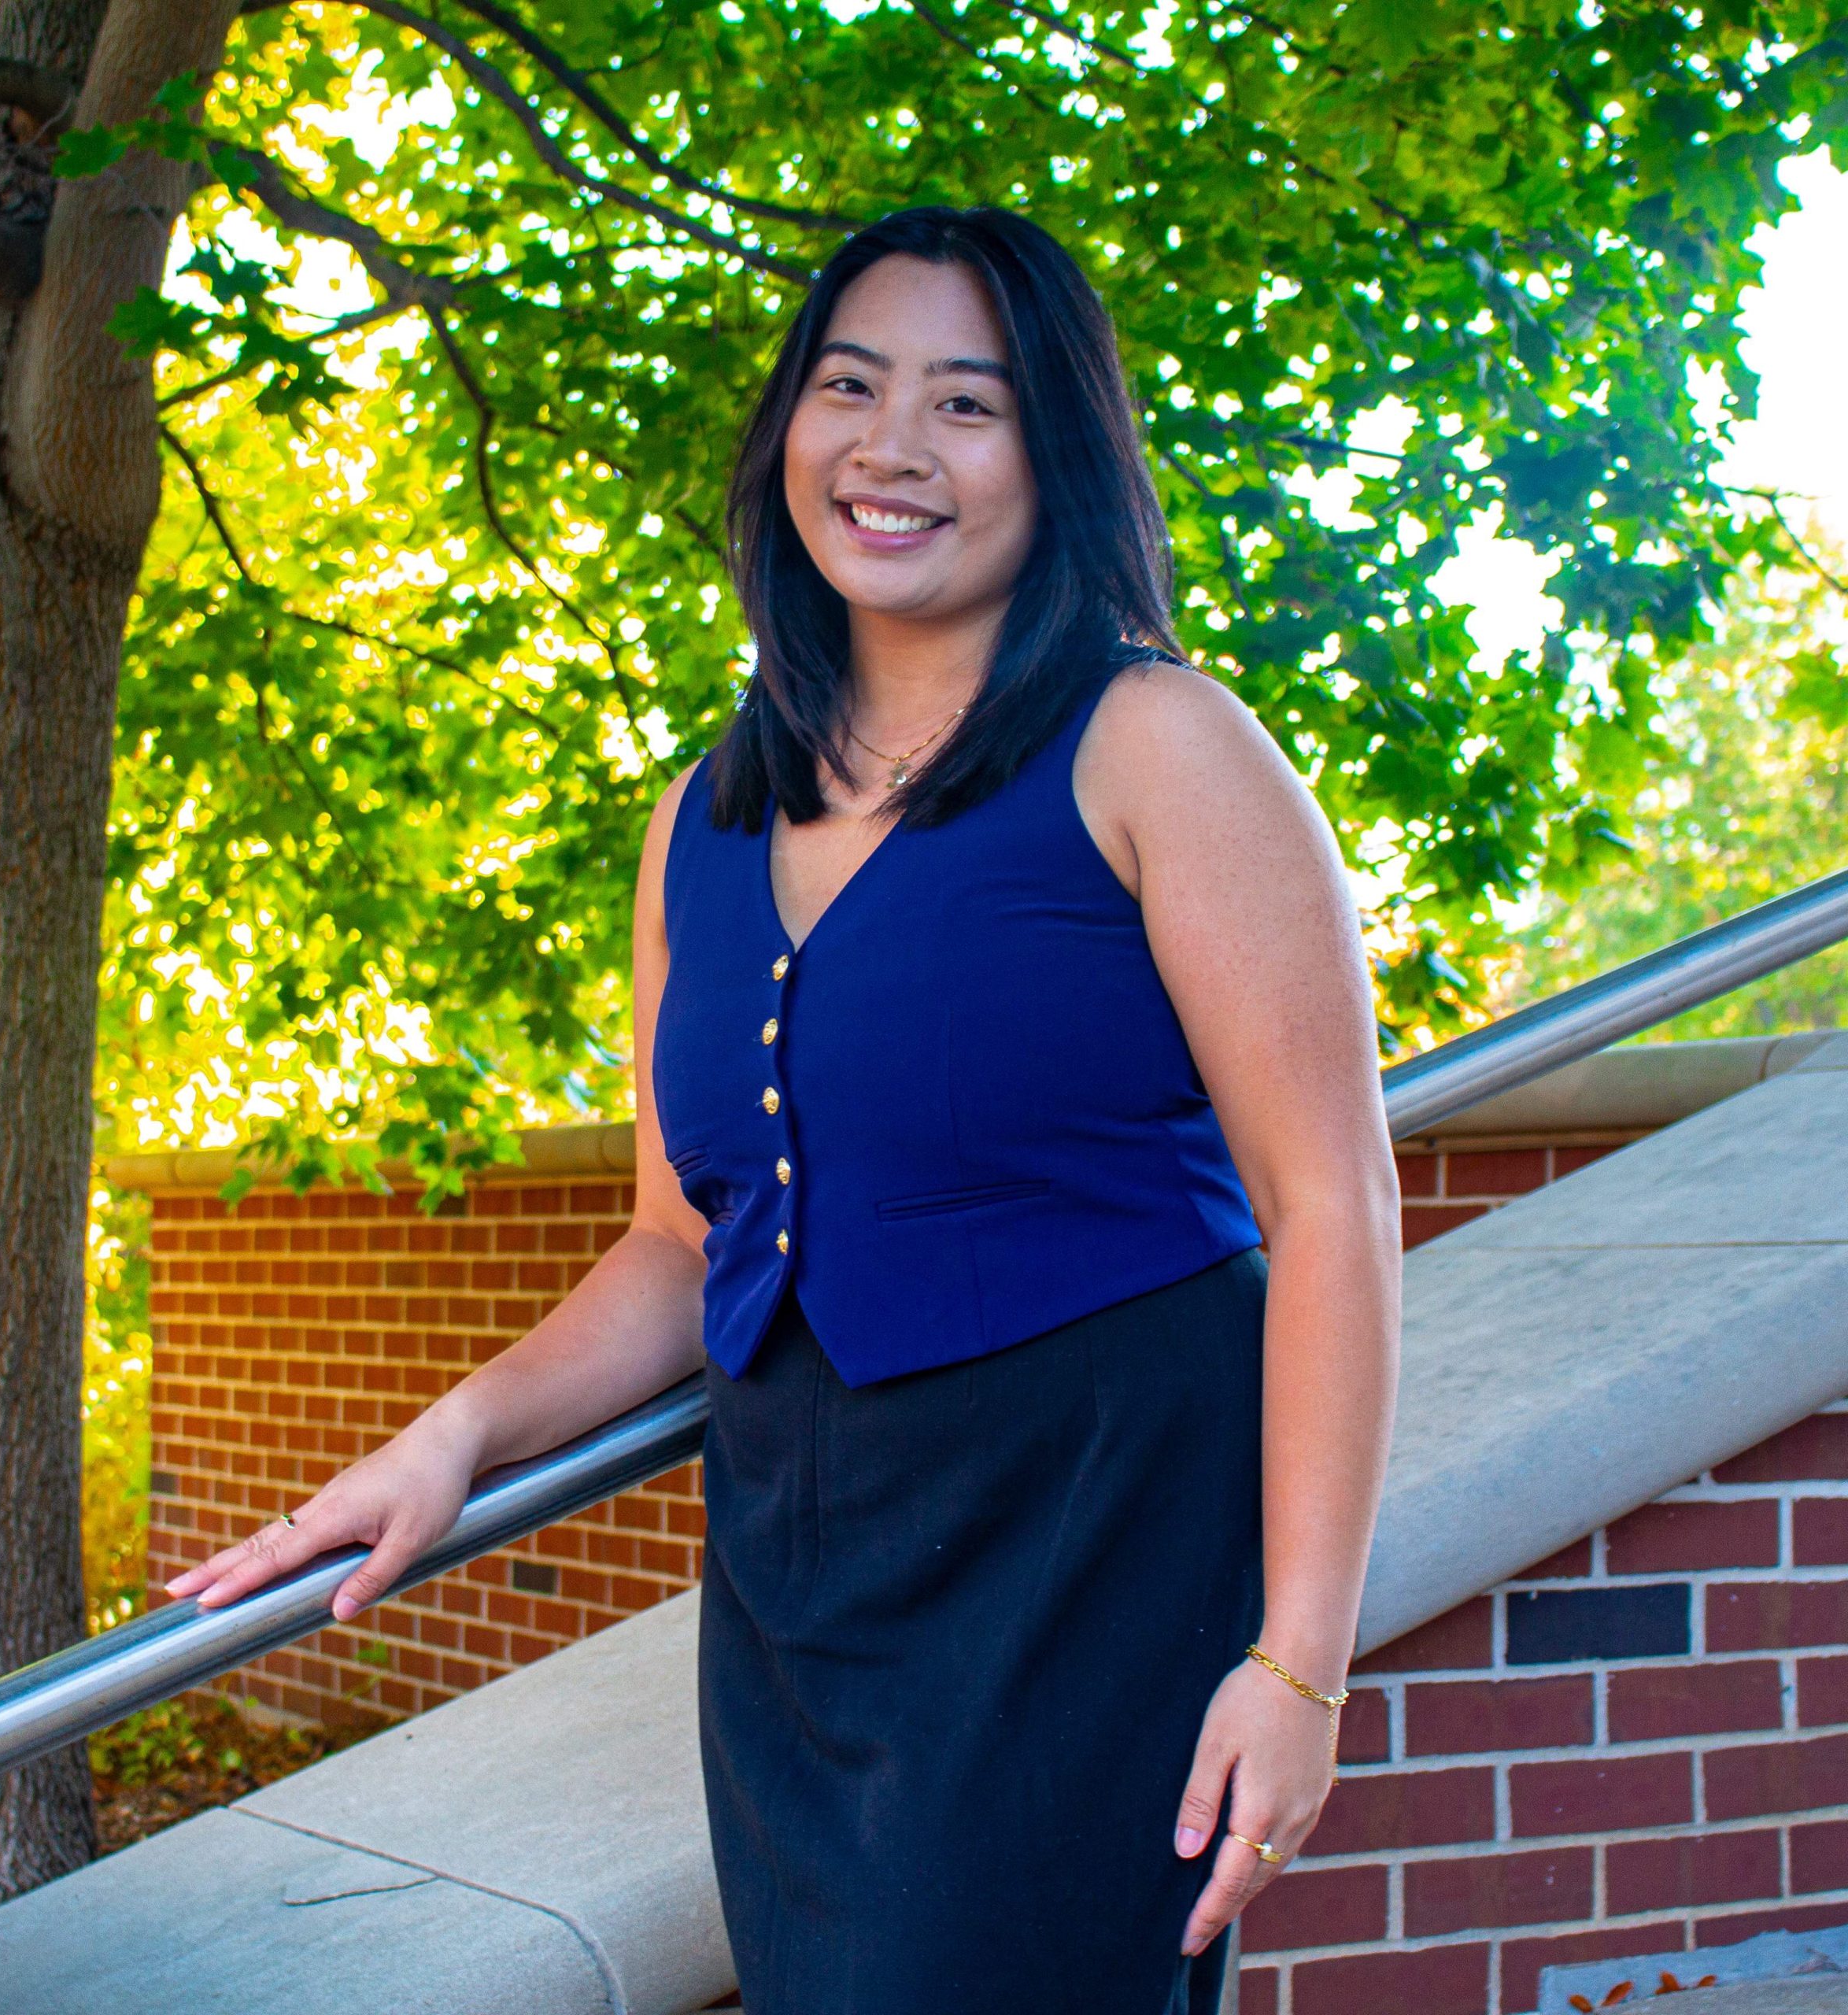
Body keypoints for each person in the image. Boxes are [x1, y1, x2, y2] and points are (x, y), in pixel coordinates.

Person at [170, 205, 1402, 2015]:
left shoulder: (1160, 743)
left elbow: (1329, 1206)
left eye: (965, 403)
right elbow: (681, 1242)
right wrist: (456, 1431)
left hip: (1090, 1544)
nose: (890, 446)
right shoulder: (704, 812)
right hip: (797, 1574)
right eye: (849, 386)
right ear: (786, 430)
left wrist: (1298, 1663)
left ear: (1056, 452)